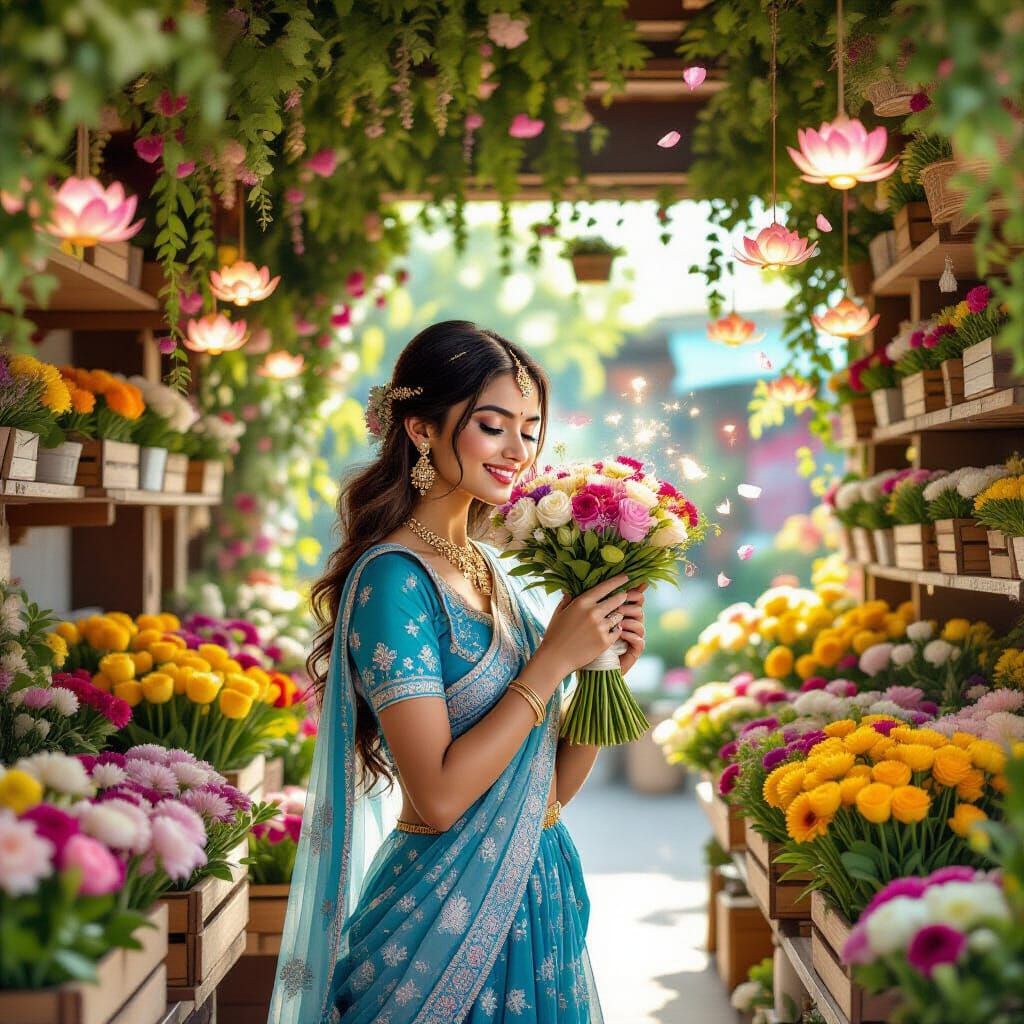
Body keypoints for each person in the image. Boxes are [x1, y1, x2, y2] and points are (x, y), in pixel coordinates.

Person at [268, 320, 647, 1023]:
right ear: (420, 429)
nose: (518, 452)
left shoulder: (491, 568)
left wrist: (601, 672)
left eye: (530, 430)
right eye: (493, 426)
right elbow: (440, 799)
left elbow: (549, 791)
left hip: (538, 903)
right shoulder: (394, 582)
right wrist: (552, 661)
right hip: (438, 926)